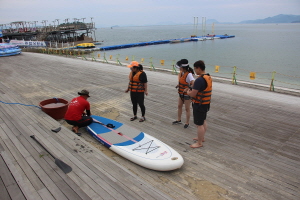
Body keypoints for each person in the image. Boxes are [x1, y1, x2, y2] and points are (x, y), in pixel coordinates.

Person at [185, 60, 212, 148]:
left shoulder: (199, 79)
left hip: (199, 104)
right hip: (206, 103)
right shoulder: (207, 77)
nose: (195, 71)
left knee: (199, 124)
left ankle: (199, 143)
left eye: (195, 69)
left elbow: (193, 94)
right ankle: (202, 137)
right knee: (203, 120)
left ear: (199, 68)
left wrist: (188, 92)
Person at [172, 59, 195, 128]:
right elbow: (183, 81)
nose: (179, 68)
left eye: (180, 67)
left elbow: (193, 83)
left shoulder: (189, 74)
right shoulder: (182, 73)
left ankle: (187, 122)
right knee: (179, 106)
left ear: (183, 67)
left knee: (187, 109)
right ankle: (178, 119)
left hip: (187, 95)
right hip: (181, 93)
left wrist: (188, 88)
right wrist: (179, 85)